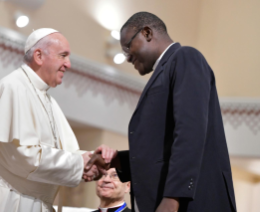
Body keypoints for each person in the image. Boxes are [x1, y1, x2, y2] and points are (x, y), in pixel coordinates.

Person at [87, 12, 237, 212]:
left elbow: (189, 133)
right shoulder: (164, 71)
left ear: (147, 33)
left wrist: (172, 198)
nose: (127, 57)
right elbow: (163, 150)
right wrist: (118, 160)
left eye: (127, 47)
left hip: (191, 203)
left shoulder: (185, 57)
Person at [0, 28, 115, 212]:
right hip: (6, 202)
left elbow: (65, 152)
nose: (68, 64)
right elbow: (23, 155)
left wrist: (93, 159)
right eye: (63, 56)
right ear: (39, 56)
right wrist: (82, 163)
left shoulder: (49, 101)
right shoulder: (13, 88)